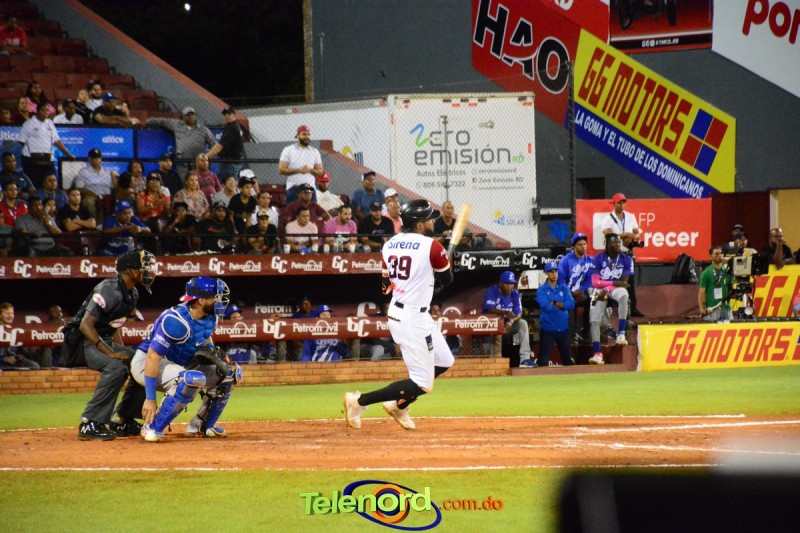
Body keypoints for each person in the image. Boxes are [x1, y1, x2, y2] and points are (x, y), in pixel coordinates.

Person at [344, 199, 454, 431]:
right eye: (429, 219)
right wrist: (438, 275)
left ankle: (399, 405)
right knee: (423, 384)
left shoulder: (390, 243)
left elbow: (386, 286)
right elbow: (448, 280)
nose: (432, 222)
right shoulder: (432, 246)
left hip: (405, 311)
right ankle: (359, 401)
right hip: (412, 318)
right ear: (419, 224)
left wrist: (424, 280)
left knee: (445, 360)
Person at [131, 277, 241, 442]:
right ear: (201, 300)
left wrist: (211, 352)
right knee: (192, 379)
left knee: (230, 375)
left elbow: (205, 336)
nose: (220, 302)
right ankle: (152, 427)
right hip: (146, 363)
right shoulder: (176, 321)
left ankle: (202, 425)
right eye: (215, 297)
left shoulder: (211, 317)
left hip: (179, 363)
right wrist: (150, 398)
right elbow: (153, 357)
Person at [61, 250, 156, 440]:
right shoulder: (108, 289)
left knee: (141, 363)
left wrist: (127, 355)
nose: (149, 272)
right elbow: (85, 325)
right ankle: (90, 423)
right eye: (144, 267)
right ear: (130, 270)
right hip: (82, 340)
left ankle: (122, 419)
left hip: (103, 339)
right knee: (116, 368)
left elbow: (114, 326)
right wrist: (111, 353)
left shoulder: (132, 292)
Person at [588, 233, 633, 365]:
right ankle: (597, 354)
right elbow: (595, 282)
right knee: (594, 319)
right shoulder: (598, 258)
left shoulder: (626, 259)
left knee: (624, 295)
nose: (618, 245)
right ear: (607, 245)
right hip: (599, 290)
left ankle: (621, 333)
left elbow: (624, 283)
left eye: (619, 242)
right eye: (615, 242)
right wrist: (610, 284)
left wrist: (607, 289)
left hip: (613, 289)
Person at [600, 193, 643, 317]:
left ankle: (633, 308)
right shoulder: (608, 219)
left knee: (630, 281)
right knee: (613, 280)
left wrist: (631, 237)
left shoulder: (630, 216)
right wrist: (626, 235)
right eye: (619, 203)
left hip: (627, 253)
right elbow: (608, 236)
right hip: (614, 255)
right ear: (614, 204)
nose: (622, 205)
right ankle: (612, 308)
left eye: (624, 202)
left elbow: (637, 233)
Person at [18, 102, 75, 189]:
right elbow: (21, 142)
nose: (45, 112)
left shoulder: (50, 123)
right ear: (37, 111)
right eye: (43, 110)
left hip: (47, 159)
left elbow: (57, 141)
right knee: (35, 185)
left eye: (47, 110)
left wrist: (68, 154)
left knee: (52, 182)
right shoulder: (29, 123)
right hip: (31, 160)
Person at [481, 271, 533, 365]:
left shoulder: (515, 293)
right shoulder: (492, 291)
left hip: (507, 326)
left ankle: (525, 359)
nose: (510, 286)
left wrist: (511, 321)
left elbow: (518, 313)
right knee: (489, 356)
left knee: (522, 323)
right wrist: (505, 313)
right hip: (492, 327)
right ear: (500, 283)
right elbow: (489, 309)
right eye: (507, 283)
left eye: (512, 283)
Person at [146, 107, 216, 176]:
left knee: (197, 181)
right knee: (182, 181)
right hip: (182, 164)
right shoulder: (177, 125)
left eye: (192, 114)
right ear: (183, 117)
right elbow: (163, 121)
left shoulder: (203, 129)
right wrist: (147, 121)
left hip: (197, 165)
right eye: (187, 115)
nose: (190, 117)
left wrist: (207, 157)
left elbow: (214, 144)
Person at [535, 263, 575, 367]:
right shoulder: (541, 289)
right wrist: (563, 305)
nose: (554, 274)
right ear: (546, 273)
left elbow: (571, 304)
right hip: (548, 329)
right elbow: (546, 307)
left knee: (567, 361)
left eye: (556, 271)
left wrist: (555, 303)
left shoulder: (564, 288)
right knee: (542, 362)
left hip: (563, 329)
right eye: (551, 272)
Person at [558, 232, 594, 344]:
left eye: (584, 244)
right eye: (579, 244)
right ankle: (570, 337)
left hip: (581, 292)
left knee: (593, 301)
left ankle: (587, 334)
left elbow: (590, 279)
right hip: (566, 292)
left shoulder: (590, 260)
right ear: (574, 246)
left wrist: (581, 289)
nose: (583, 247)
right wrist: (570, 292)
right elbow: (561, 280)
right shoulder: (565, 260)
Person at [278, 124, 323, 204]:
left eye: (309, 134)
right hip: (293, 188)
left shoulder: (314, 151)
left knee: (311, 211)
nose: (307, 136)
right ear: (298, 135)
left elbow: (320, 171)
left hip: (310, 189)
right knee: (293, 211)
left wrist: (310, 170)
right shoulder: (288, 150)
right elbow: (281, 170)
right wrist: (298, 170)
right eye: (304, 134)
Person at [74, 148, 118, 219]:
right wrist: (92, 194)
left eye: (98, 158)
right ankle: (94, 222)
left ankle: (109, 222)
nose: (97, 159)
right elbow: (79, 188)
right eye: (94, 158)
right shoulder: (83, 172)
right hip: (91, 196)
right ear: (89, 159)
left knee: (112, 201)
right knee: (89, 201)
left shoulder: (108, 172)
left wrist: (115, 178)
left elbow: (114, 187)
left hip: (106, 196)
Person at [206, 107, 246, 182]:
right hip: (232, 161)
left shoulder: (232, 128)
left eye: (229, 114)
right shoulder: (233, 126)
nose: (226, 116)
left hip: (231, 162)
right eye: (225, 114)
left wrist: (207, 156)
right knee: (223, 181)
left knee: (226, 182)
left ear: (234, 115)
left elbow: (220, 146)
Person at [698, 245, 733, 322]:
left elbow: (732, 288)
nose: (719, 255)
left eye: (721, 253)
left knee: (729, 328)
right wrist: (702, 308)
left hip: (727, 308)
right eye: (716, 254)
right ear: (710, 256)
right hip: (712, 309)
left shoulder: (727, 271)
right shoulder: (706, 273)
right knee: (712, 329)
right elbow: (702, 292)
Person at [0, 302, 39, 370]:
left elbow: (19, 350)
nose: (11, 316)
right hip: (2, 362)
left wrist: (21, 356)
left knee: (34, 366)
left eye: (12, 313)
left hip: (14, 360)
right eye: (7, 313)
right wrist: (3, 359)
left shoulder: (15, 329)